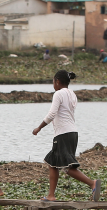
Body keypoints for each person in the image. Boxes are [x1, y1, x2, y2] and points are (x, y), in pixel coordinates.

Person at [33, 70, 102, 201]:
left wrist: (39, 127)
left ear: (57, 82)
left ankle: (92, 183)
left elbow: (52, 114)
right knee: (53, 162)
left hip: (63, 134)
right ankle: (51, 195)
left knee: (66, 167)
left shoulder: (58, 94)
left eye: (53, 82)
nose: (53, 85)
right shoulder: (72, 94)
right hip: (72, 133)